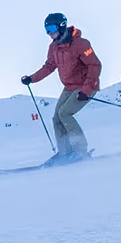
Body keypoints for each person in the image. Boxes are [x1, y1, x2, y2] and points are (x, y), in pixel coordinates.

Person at [21, 13, 102, 164]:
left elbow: (94, 65)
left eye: (51, 28)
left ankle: (80, 151)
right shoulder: (54, 47)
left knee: (65, 114)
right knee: (57, 118)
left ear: (61, 26)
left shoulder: (81, 44)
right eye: (46, 30)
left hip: (86, 85)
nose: (49, 33)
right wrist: (32, 78)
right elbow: (49, 66)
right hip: (70, 87)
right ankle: (65, 153)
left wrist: (86, 90)